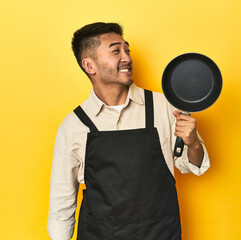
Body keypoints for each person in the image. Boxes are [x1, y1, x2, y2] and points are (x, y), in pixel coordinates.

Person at [47, 22, 210, 240]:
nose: (127, 58)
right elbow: (62, 202)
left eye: (127, 50)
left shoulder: (164, 107)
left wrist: (194, 144)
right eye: (116, 51)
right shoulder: (75, 125)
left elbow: (193, 165)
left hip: (160, 233)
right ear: (89, 65)